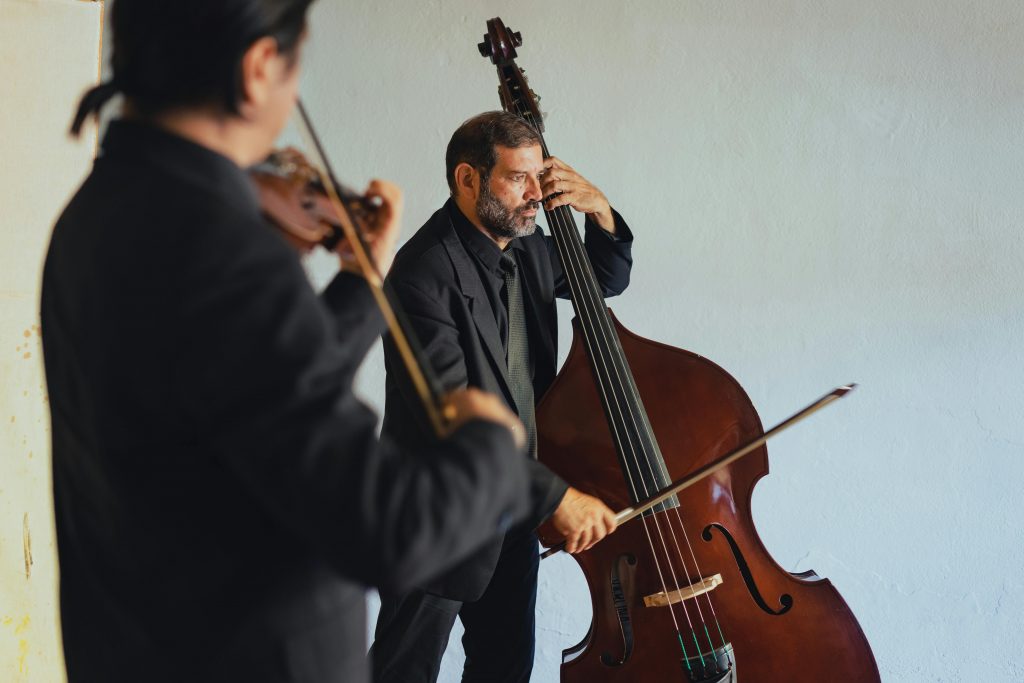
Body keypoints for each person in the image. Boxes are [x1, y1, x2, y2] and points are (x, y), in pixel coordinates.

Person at [41, 3, 538, 681]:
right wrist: (494, 447)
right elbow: (386, 528)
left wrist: (362, 282)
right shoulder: (223, 251)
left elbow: (250, 398)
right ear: (257, 69)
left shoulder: (97, 212)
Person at [371, 111, 634, 683]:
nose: (536, 194)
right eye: (519, 178)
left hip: (513, 512)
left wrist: (600, 210)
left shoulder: (532, 249)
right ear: (468, 179)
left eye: (540, 176)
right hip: (438, 517)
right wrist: (559, 498)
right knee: (401, 673)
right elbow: (452, 421)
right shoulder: (421, 276)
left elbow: (605, 281)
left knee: (503, 671)